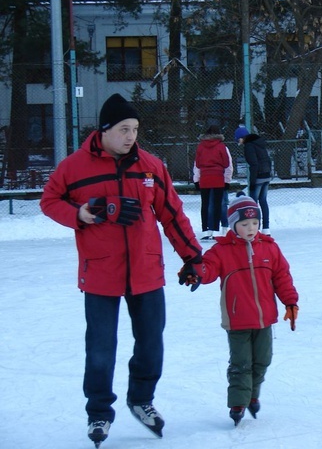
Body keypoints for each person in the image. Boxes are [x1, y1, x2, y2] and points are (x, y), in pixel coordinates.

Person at [40, 93, 203, 447]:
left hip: (146, 271)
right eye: (124, 129)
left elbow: (171, 213)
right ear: (105, 130)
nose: (131, 136)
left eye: (135, 129)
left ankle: (141, 399)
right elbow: (49, 200)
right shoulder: (74, 166)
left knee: (150, 343)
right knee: (100, 348)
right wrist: (80, 214)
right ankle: (99, 411)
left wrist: (192, 256)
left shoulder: (150, 166)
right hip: (100, 274)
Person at [178, 192, 298, 426]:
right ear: (233, 225)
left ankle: (252, 395)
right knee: (241, 363)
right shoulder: (222, 251)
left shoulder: (270, 248)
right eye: (244, 224)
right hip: (237, 320)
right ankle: (238, 403)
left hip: (265, 319)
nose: (251, 228)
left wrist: (290, 302)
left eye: (255, 223)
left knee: (262, 360)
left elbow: (282, 277)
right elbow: (208, 269)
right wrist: (196, 274)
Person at [193, 125, 233, 240]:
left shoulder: (200, 146)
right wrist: (227, 180)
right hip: (218, 178)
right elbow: (226, 164)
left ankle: (206, 230)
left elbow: (198, 164)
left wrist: (196, 180)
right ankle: (215, 230)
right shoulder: (221, 146)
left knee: (205, 205)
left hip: (205, 178)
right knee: (217, 204)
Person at [234, 125, 272, 235]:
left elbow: (254, 164)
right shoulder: (259, 143)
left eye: (238, 139)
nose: (238, 142)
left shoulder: (249, 146)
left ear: (242, 137)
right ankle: (266, 228)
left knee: (253, 204)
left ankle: (255, 228)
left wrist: (252, 183)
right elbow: (267, 159)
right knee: (263, 201)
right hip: (266, 175)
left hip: (258, 176)